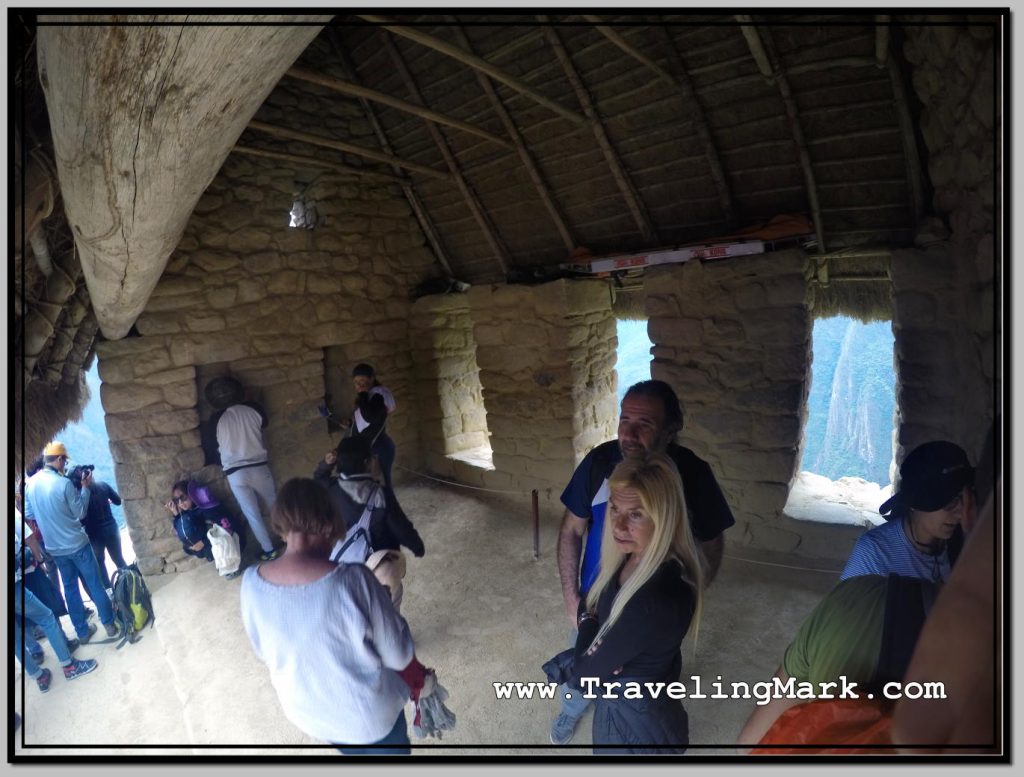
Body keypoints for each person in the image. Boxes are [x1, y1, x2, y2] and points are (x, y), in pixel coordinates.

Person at [551, 379, 734, 744]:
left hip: (643, 606)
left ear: (671, 430)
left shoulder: (691, 475)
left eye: (645, 423)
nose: (629, 433)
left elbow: (712, 541)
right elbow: (571, 530)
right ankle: (570, 712)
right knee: (583, 671)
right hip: (595, 600)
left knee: (645, 682)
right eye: (625, 420)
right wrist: (574, 601)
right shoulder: (599, 463)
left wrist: (689, 595)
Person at [239, 478, 425, 753]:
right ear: (328, 524)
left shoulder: (251, 583)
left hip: (310, 714)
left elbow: (264, 651)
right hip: (369, 722)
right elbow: (398, 655)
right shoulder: (354, 579)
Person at [545, 452, 703, 753]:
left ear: (665, 517)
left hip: (629, 720)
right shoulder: (640, 555)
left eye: (635, 514)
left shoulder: (649, 603)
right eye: (615, 509)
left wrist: (587, 620)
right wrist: (595, 637)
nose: (617, 526)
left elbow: (583, 677)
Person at [840, 441, 976, 584]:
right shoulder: (875, 553)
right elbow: (848, 605)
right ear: (915, 502)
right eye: (950, 501)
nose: (961, 511)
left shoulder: (963, 539)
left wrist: (970, 537)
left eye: (965, 497)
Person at [24, 441, 120, 644]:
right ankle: (109, 624)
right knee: (94, 583)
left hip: (54, 548)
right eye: (64, 460)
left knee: (70, 588)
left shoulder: (30, 484)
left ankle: (83, 632)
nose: (64, 465)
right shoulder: (64, 484)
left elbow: (30, 514)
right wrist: (84, 489)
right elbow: (80, 512)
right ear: (58, 459)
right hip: (77, 543)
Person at [313, 437, 424, 609]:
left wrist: (326, 464)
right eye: (373, 457)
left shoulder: (330, 488)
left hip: (341, 563)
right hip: (376, 565)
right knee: (389, 603)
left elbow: (318, 477)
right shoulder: (380, 494)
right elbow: (400, 527)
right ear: (367, 463)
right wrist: (417, 546)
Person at [15, 507, 97, 691]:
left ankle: (39, 677)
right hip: (21, 578)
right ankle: (69, 665)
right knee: (47, 616)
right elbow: (26, 537)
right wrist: (39, 560)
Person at [206, 376, 281, 561]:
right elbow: (265, 423)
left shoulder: (215, 420)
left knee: (252, 515)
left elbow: (210, 446)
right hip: (259, 466)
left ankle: (269, 550)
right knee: (275, 505)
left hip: (235, 472)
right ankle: (291, 539)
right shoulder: (254, 409)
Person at [339, 363, 398, 491]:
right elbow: (365, 420)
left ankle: (390, 510)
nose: (359, 385)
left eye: (362, 380)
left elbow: (370, 417)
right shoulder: (369, 395)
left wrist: (363, 395)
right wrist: (350, 423)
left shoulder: (378, 395)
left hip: (379, 448)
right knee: (374, 487)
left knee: (383, 487)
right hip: (372, 447)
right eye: (356, 382)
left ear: (371, 379)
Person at [79, 472, 127, 590]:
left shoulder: (81, 496)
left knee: (100, 563)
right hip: (111, 528)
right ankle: (130, 583)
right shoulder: (103, 486)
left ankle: (110, 592)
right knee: (119, 559)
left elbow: (82, 520)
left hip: (95, 535)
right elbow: (118, 501)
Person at [166, 481, 215, 563]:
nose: (180, 503)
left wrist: (203, 542)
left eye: (183, 498)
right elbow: (183, 529)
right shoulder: (188, 512)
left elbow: (220, 528)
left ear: (190, 494)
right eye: (176, 500)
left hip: (223, 541)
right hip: (208, 545)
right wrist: (175, 512)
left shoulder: (203, 508)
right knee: (186, 547)